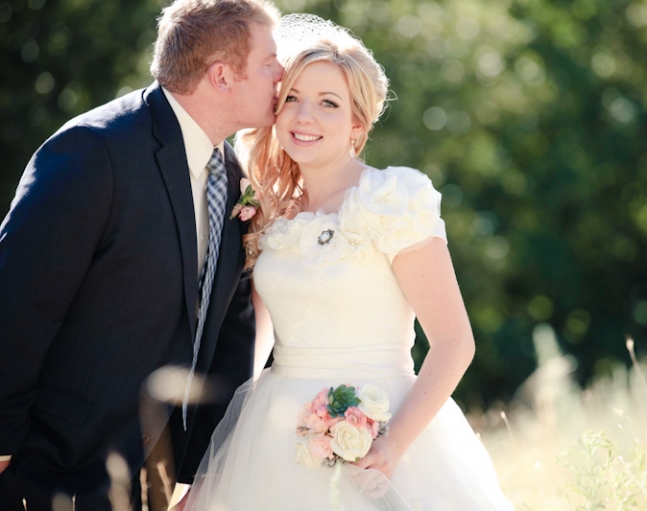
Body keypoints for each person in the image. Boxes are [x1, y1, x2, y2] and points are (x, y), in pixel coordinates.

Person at [181, 15, 514, 510]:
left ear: (358, 123)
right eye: (291, 98)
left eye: (328, 104)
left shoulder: (393, 199)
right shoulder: (269, 214)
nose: (304, 116)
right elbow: (255, 344)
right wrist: (216, 474)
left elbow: (453, 342)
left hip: (383, 431)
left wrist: (392, 445)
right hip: (276, 435)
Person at [0, 0, 283, 508]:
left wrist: (209, 469)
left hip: (152, 480)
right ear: (222, 75)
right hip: (48, 467)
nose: (282, 74)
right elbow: (18, 299)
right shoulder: (95, 150)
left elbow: (230, 330)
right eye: (269, 62)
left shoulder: (236, 177)